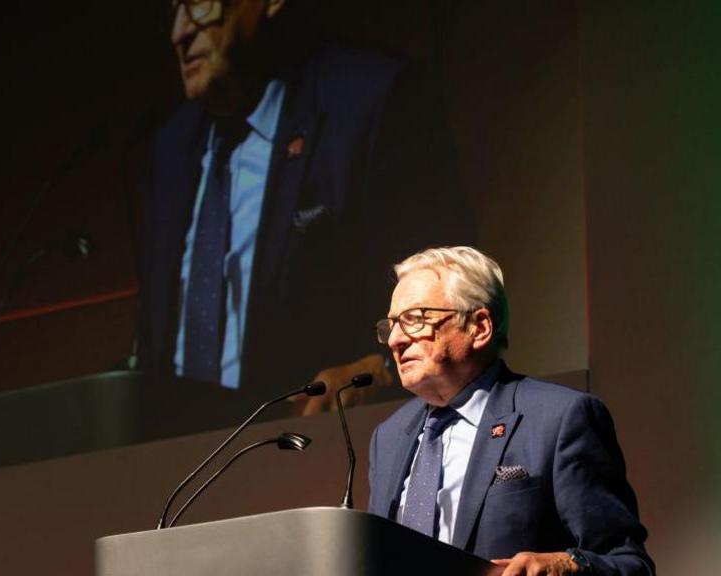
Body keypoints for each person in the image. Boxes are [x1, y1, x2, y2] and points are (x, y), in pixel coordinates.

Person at [138, 0, 473, 420]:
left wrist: (381, 367)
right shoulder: (171, 148)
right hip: (175, 460)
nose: (179, 33)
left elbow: (453, 281)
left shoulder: (368, 102)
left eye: (201, 5)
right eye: (173, 11)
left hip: (326, 442)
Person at [367, 246, 653, 575]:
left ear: (479, 327)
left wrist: (565, 566)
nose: (395, 340)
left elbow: (630, 564)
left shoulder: (560, 419)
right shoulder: (388, 437)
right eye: (391, 326)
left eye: (414, 320)